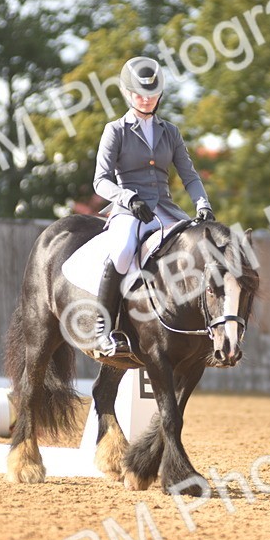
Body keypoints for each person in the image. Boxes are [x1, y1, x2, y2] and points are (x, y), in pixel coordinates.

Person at [90, 56, 216, 357]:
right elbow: (100, 181)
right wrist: (127, 198)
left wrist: (203, 204)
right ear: (128, 94)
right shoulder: (116, 130)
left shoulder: (170, 132)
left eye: (152, 95)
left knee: (198, 252)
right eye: (140, 95)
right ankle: (102, 329)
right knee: (121, 252)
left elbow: (190, 176)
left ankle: (206, 333)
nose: (146, 101)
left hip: (166, 209)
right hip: (129, 209)